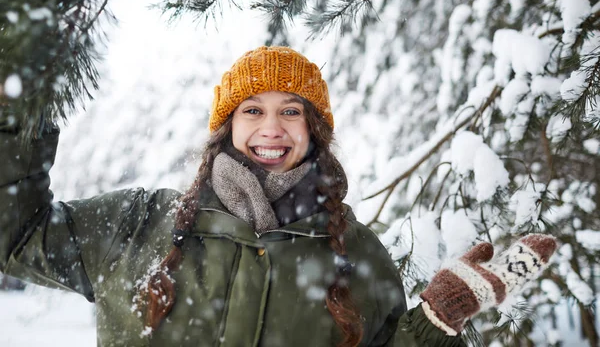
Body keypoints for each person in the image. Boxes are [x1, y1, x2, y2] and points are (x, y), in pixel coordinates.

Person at [0, 46, 557, 346]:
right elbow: (18, 237)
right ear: (227, 126)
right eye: (253, 110)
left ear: (314, 130)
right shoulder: (138, 223)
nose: (272, 128)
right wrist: (16, 108)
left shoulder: (358, 257)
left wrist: (435, 323)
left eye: (292, 111)